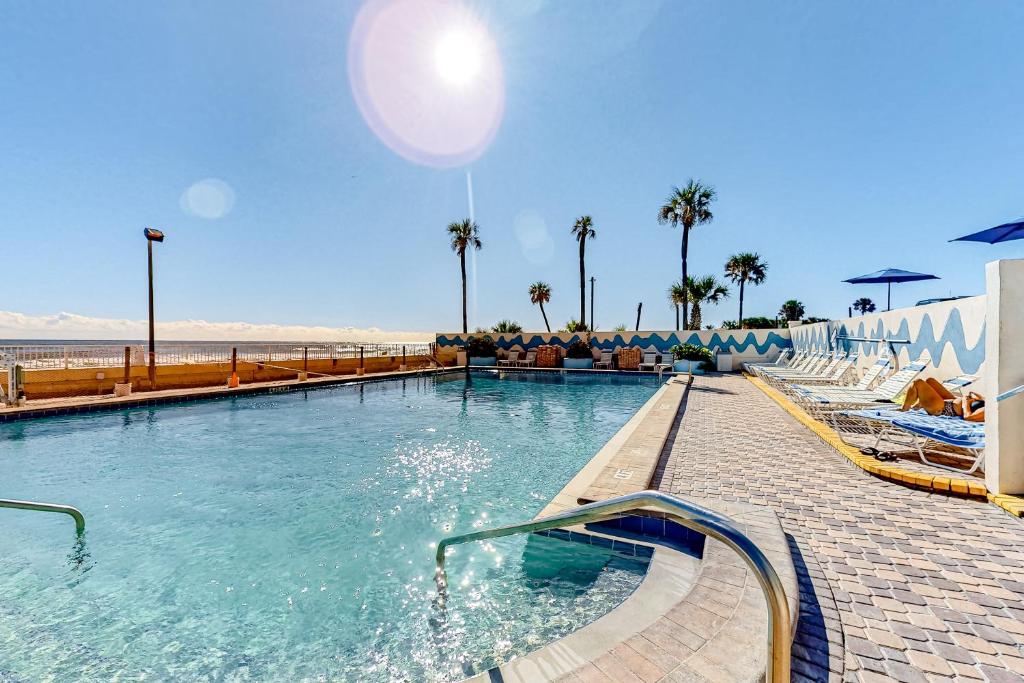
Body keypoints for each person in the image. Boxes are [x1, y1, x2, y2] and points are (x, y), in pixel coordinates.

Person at [901, 378, 985, 422]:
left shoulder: (989, 411)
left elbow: (968, 417)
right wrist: (972, 396)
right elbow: (978, 398)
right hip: (952, 403)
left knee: (917, 382)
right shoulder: (991, 404)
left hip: (943, 409)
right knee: (930, 381)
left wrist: (965, 401)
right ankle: (920, 404)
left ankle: (905, 408)